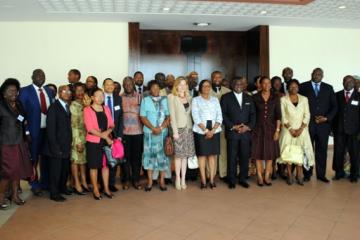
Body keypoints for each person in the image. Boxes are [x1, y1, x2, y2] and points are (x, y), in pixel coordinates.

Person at [18, 69, 55, 196]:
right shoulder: (24, 91)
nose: (40, 77)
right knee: (33, 159)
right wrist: (26, 132)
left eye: (43, 75)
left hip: (47, 131)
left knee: (46, 157)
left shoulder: (49, 91)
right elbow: (20, 113)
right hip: (33, 132)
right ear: (32, 77)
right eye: (38, 75)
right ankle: (34, 183)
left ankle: (45, 183)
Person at [299, 68, 337, 182]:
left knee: (322, 150)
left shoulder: (328, 88)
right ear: (311, 74)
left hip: (323, 126)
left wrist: (326, 118)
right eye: (315, 73)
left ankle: (321, 175)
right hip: (307, 124)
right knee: (307, 149)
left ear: (323, 76)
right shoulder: (303, 86)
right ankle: (307, 173)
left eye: (319, 74)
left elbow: (334, 106)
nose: (317, 75)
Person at [0, 78, 32, 210]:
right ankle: (1, 197)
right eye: (10, 90)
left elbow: (23, 119)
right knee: (8, 172)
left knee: (17, 171)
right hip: (6, 144)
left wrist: (27, 133)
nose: (14, 93)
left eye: (16, 90)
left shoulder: (18, 104)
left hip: (19, 142)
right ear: (4, 93)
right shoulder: (1, 105)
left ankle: (14, 195)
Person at [221, 77, 256, 189]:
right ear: (232, 85)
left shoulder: (249, 98)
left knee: (244, 156)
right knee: (232, 156)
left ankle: (242, 179)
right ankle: (231, 180)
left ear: (244, 85)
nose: (238, 86)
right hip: (233, 132)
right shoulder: (225, 97)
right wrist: (233, 126)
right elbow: (223, 115)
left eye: (241, 84)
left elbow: (253, 114)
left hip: (245, 132)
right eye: (236, 84)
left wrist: (248, 127)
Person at [278, 79, 314, 185]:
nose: (293, 88)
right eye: (291, 87)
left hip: (302, 130)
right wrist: (291, 129)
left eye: (296, 87)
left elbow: (307, 115)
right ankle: (289, 174)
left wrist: (301, 129)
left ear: (298, 88)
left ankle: (299, 174)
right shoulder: (283, 99)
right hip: (288, 130)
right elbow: (283, 116)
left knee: (301, 152)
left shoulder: (304, 99)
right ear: (288, 88)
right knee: (288, 153)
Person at [84, 88, 114, 200]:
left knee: (105, 166)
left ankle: (106, 188)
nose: (101, 98)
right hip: (93, 142)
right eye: (98, 95)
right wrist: (105, 137)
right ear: (92, 97)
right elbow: (90, 129)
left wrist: (107, 134)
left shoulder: (106, 108)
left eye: (102, 95)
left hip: (105, 142)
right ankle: (96, 189)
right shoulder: (87, 110)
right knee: (94, 166)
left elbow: (112, 125)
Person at [140, 80, 170, 191]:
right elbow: (142, 117)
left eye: (158, 88)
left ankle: (161, 180)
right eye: (153, 88)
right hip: (149, 133)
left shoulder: (165, 100)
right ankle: (150, 181)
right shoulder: (145, 100)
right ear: (150, 89)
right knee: (149, 157)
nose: (156, 90)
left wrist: (161, 128)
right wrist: (153, 128)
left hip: (162, 133)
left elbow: (168, 116)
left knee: (162, 157)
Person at [192, 79, 223, 189]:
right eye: (204, 86)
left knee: (212, 156)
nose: (206, 88)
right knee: (202, 156)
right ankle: (203, 180)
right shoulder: (196, 100)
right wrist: (206, 131)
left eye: (208, 86)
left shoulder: (215, 100)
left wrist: (213, 130)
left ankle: (212, 179)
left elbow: (220, 116)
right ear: (200, 88)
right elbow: (195, 117)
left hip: (215, 130)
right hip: (201, 131)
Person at [44, 85, 73, 202]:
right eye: (64, 91)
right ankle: (54, 193)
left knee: (64, 169)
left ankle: (62, 188)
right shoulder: (53, 108)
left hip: (66, 145)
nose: (67, 93)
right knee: (56, 170)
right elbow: (50, 130)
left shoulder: (67, 106)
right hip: (56, 146)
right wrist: (55, 147)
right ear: (59, 93)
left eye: (69, 91)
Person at [252, 76, 281, 187]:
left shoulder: (275, 97)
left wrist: (277, 130)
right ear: (260, 85)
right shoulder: (255, 97)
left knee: (270, 154)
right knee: (258, 154)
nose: (266, 85)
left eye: (268, 83)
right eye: (264, 83)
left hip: (271, 129)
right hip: (257, 129)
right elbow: (253, 114)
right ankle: (259, 176)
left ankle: (267, 176)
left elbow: (278, 115)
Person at [168, 77, 195, 190]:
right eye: (180, 84)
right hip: (178, 130)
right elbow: (172, 116)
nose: (183, 86)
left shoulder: (190, 97)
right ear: (176, 86)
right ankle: (177, 179)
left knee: (185, 157)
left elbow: (191, 115)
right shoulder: (171, 97)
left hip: (188, 129)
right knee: (178, 157)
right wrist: (175, 132)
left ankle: (183, 179)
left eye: (184, 84)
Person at [332, 75, 360, 182]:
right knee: (338, 152)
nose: (348, 83)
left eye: (350, 81)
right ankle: (339, 173)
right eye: (346, 81)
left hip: (354, 131)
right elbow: (334, 112)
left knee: (354, 153)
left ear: (354, 83)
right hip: (339, 129)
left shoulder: (358, 96)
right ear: (342, 82)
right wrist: (331, 128)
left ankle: (354, 174)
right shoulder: (337, 95)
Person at [122, 77, 143, 190]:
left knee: (137, 158)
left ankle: (136, 180)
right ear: (123, 85)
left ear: (133, 84)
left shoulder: (140, 97)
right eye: (126, 84)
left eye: (130, 84)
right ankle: (126, 180)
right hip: (125, 133)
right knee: (125, 158)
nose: (128, 86)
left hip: (138, 132)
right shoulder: (120, 98)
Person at [103, 78, 124, 191]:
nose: (110, 87)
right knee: (103, 160)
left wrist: (120, 135)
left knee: (113, 159)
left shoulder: (118, 98)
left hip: (115, 135)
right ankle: (102, 184)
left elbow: (121, 118)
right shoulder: (100, 98)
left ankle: (111, 183)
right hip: (102, 134)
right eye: (107, 85)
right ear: (103, 86)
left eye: (112, 85)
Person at [211, 71, 230, 181]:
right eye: (214, 77)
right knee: (212, 150)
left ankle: (223, 172)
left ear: (222, 78)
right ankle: (212, 173)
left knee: (223, 149)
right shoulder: (206, 90)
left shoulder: (227, 91)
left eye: (219, 77)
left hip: (223, 125)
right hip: (210, 126)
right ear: (211, 78)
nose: (217, 79)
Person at [70, 82, 89, 194]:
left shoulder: (86, 104)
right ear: (73, 92)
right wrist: (77, 141)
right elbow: (74, 125)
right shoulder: (72, 106)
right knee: (75, 161)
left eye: (82, 90)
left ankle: (84, 182)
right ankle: (76, 184)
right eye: (78, 91)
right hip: (76, 137)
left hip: (86, 137)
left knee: (83, 161)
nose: (80, 93)